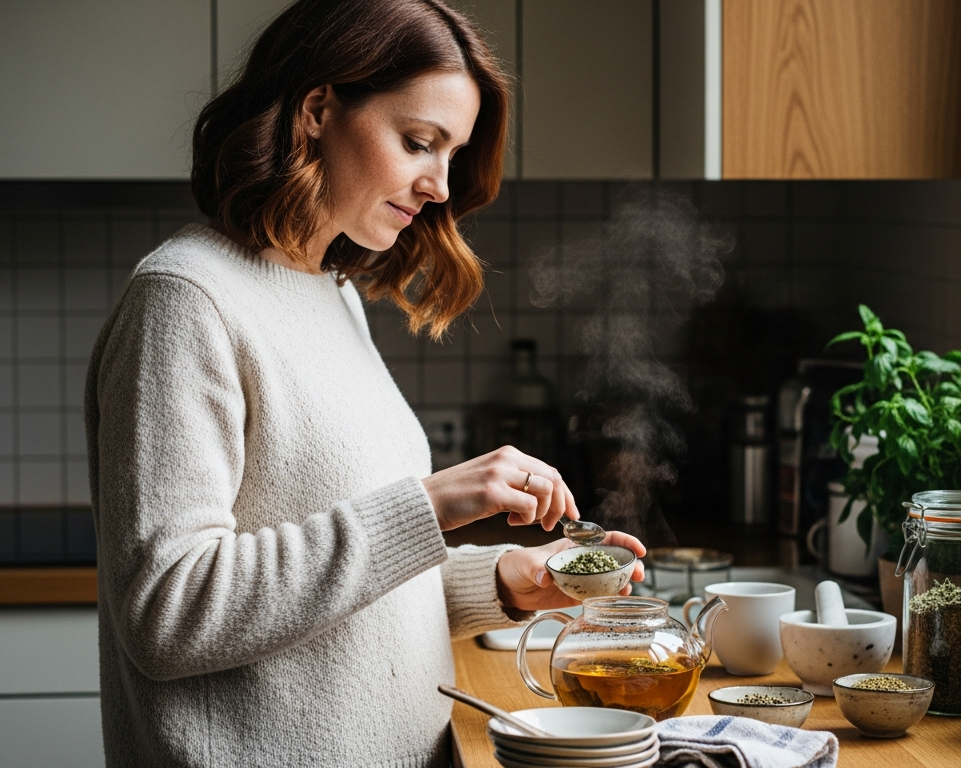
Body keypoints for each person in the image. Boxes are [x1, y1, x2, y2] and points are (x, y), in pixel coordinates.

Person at [83, 1, 645, 765]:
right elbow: (171, 615)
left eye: (452, 153)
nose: (441, 185)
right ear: (317, 109)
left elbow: (339, 595)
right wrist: (434, 503)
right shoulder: (187, 300)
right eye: (419, 142)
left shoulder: (331, 292)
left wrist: (503, 581)